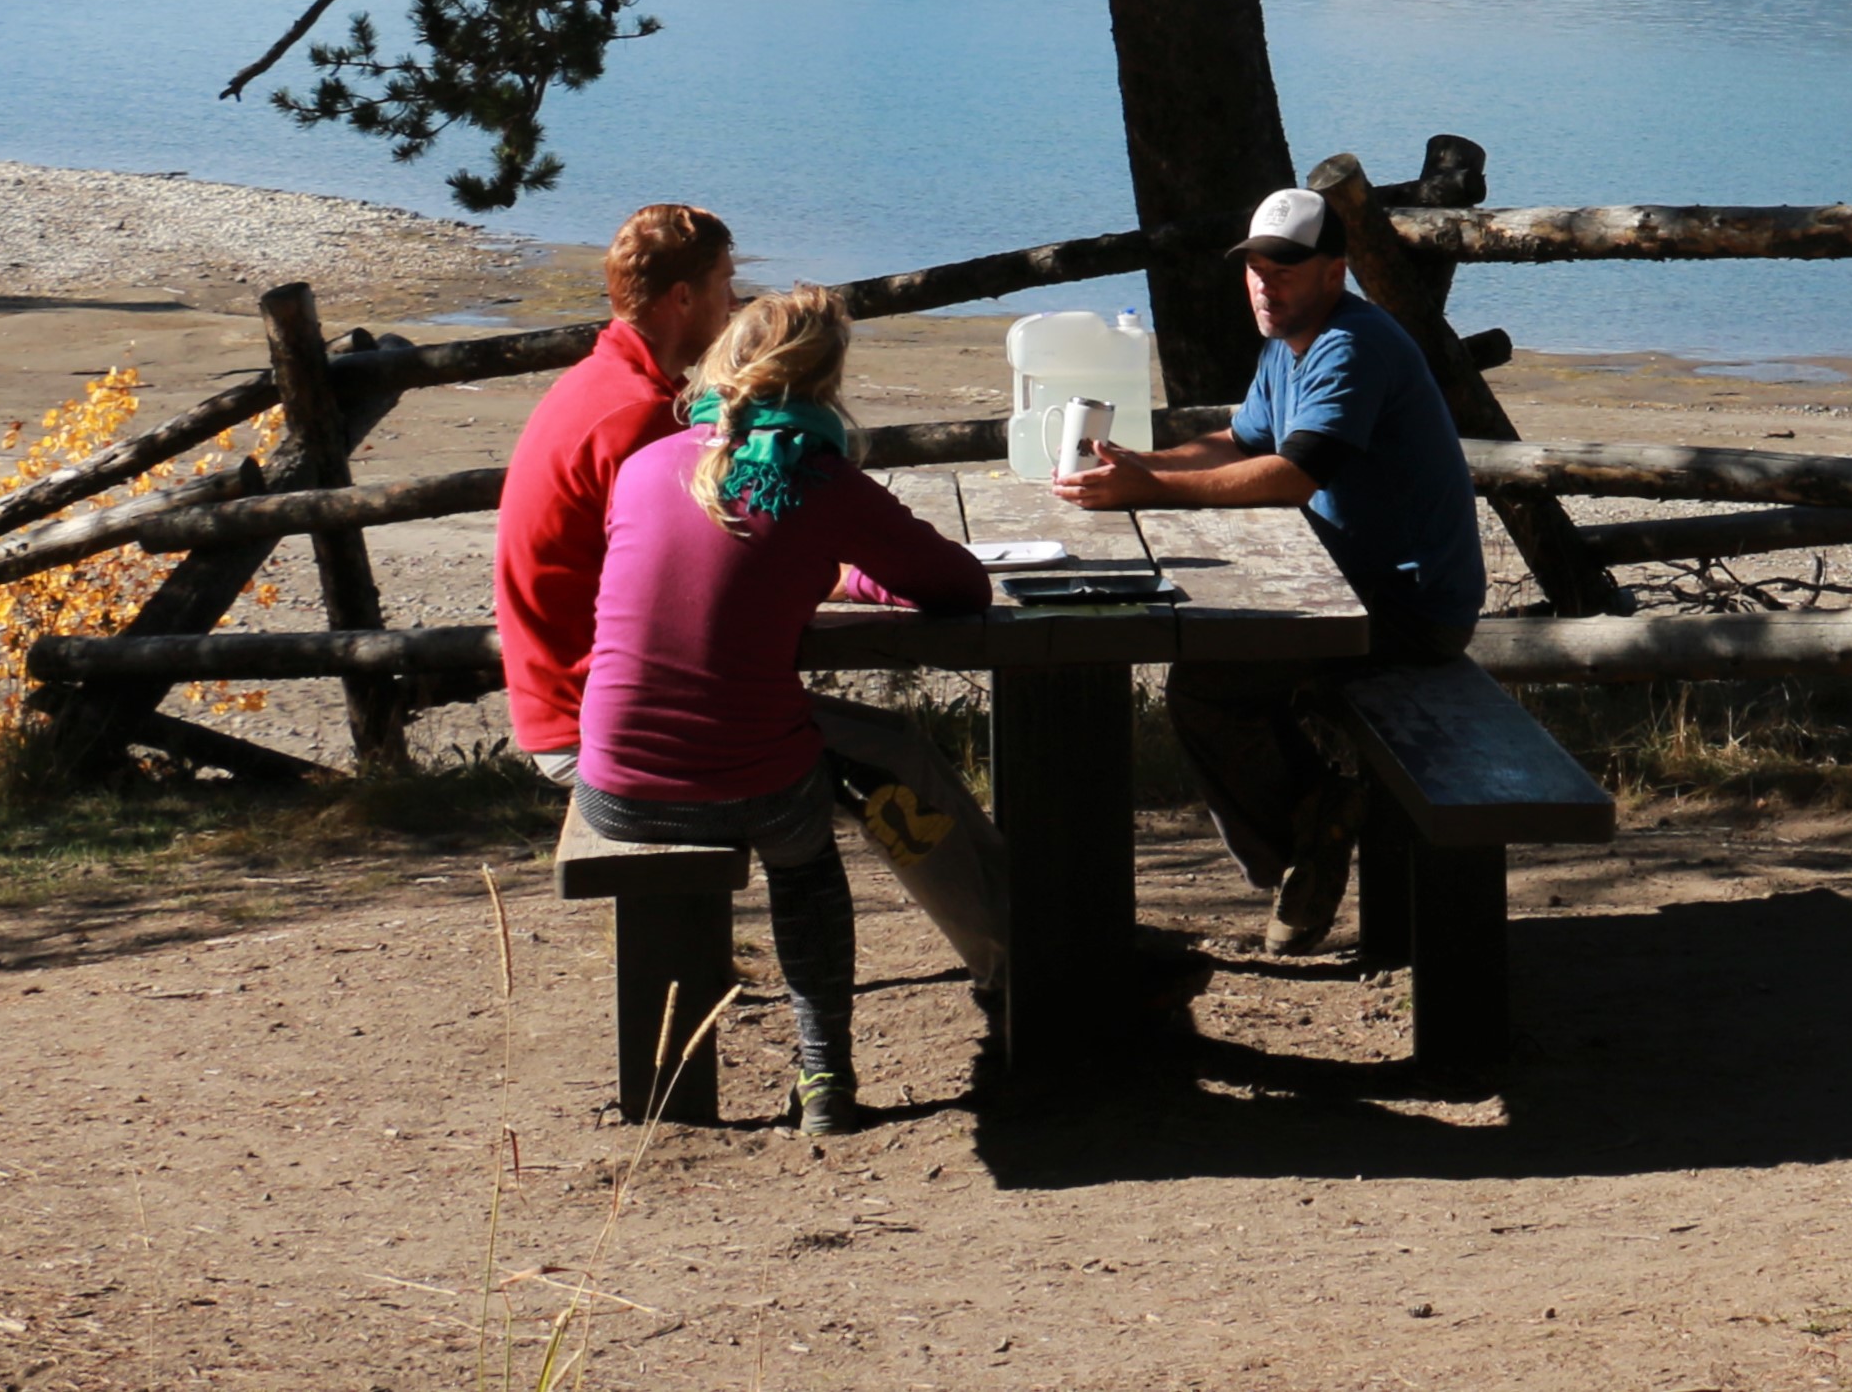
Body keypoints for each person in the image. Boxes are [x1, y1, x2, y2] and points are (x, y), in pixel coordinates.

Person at [575, 284, 993, 1134]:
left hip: (613, 774)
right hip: (749, 777)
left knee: (784, 741)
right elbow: (960, 585)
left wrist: (829, 569)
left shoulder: (648, 463)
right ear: (827, 379)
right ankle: (824, 1075)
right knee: (806, 860)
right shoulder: (817, 474)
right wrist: (859, 570)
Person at [1056, 184, 1486, 952]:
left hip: (1410, 606)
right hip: (1351, 588)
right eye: (1256, 264)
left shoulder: (1350, 344)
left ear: (1335, 270)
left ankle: (1310, 842)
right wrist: (1142, 461)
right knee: (1214, 666)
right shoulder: (1287, 342)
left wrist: (1152, 491)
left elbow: (1294, 473)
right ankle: (1313, 834)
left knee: (1207, 680)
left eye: (1286, 265)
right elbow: (1242, 440)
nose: (1265, 280)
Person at [493, 202, 738, 785]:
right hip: (598, 721)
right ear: (683, 297)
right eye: (726, 285)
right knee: (846, 757)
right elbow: (701, 574)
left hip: (571, 701)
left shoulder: (602, 383)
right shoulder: (638, 417)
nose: (734, 305)